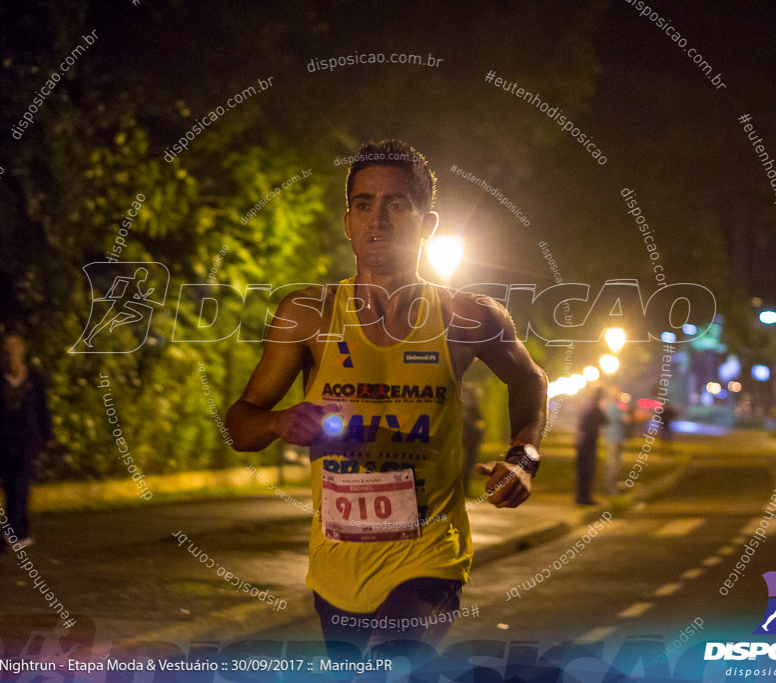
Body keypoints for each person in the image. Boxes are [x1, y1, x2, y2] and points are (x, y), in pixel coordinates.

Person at [226, 139, 548, 655]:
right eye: (363, 204)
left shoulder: (465, 316)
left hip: (428, 555)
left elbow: (529, 379)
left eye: (397, 204)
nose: (378, 219)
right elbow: (241, 423)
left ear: (428, 223)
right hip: (337, 565)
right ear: (348, 220)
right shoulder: (307, 314)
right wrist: (278, 423)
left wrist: (524, 455)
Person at [0, 334, 53, 547]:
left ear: (22, 350)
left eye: (13, 347)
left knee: (21, 483)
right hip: (4, 439)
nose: (10, 352)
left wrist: (47, 434)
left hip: (27, 439)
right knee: (11, 485)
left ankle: (8, 530)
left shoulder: (34, 378)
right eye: (6, 349)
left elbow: (42, 407)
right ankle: (23, 533)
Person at [574, 387, 606, 505]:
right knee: (587, 471)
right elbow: (605, 420)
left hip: (583, 442)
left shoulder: (587, 407)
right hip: (588, 444)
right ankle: (583, 497)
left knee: (583, 471)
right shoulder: (595, 409)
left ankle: (582, 496)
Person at [603, 390, 626, 495]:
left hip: (608, 437)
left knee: (610, 462)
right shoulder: (617, 409)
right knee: (614, 464)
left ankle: (608, 486)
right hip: (616, 438)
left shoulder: (606, 408)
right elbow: (626, 419)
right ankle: (611, 488)